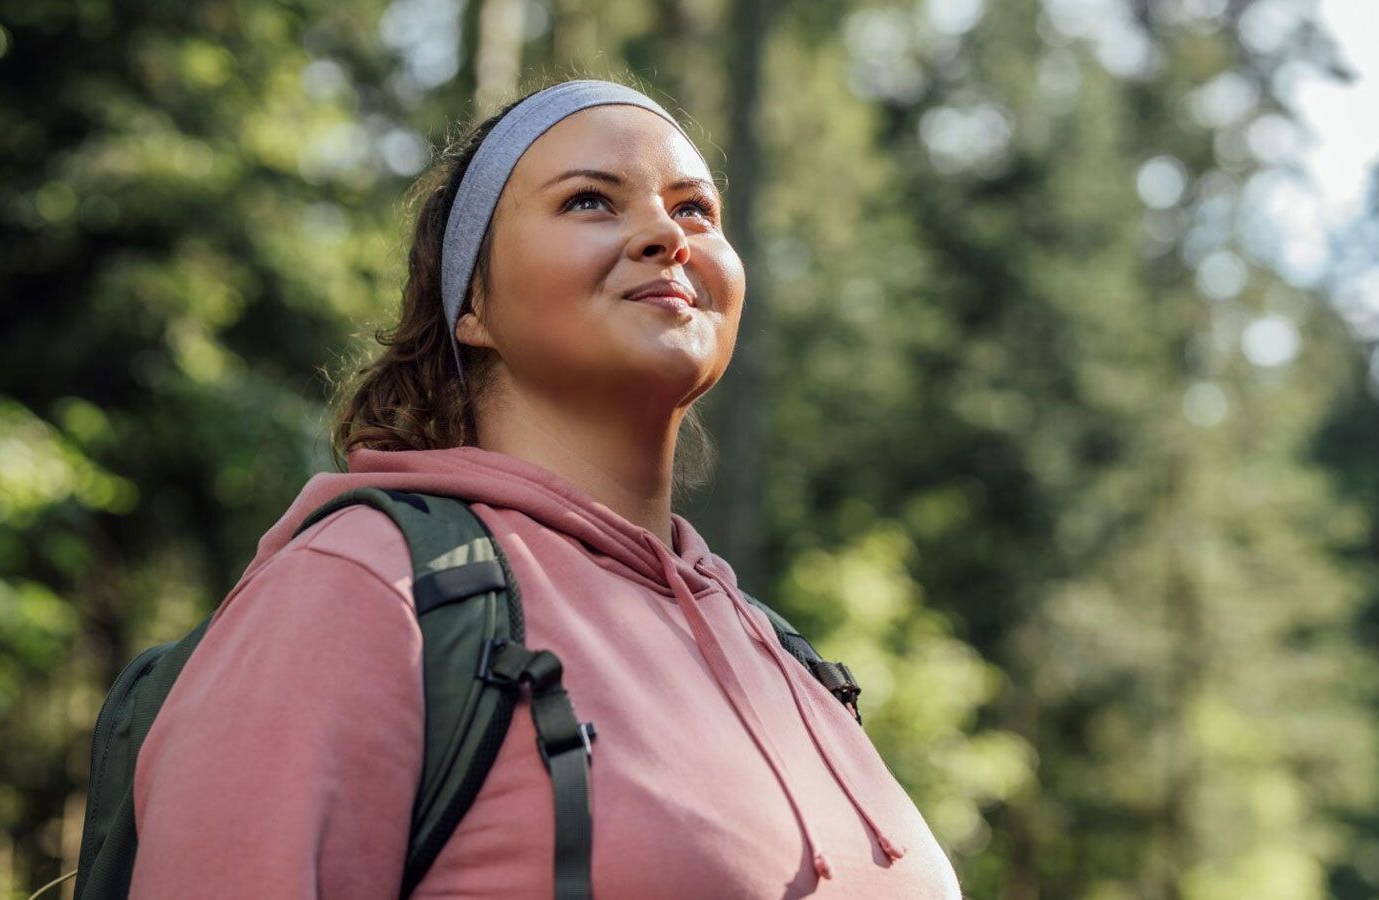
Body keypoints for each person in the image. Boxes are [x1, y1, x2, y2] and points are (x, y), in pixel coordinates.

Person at [129, 77, 963, 898]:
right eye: (591, 201)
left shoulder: (783, 655)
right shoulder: (366, 587)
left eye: (694, 209)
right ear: (472, 306)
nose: (665, 236)